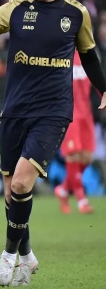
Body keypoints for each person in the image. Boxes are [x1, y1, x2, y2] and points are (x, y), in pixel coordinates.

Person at [0, 0, 106, 287]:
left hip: (53, 111)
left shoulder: (76, 13)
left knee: (22, 183)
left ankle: (8, 257)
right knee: (11, 194)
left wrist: (104, 89)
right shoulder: (16, 8)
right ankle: (26, 255)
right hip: (14, 110)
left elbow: (89, 55)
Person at [55, 51, 95, 214]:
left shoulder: (88, 52)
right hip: (68, 112)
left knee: (87, 157)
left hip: (86, 112)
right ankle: (81, 200)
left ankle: (63, 190)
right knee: (72, 155)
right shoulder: (61, 52)